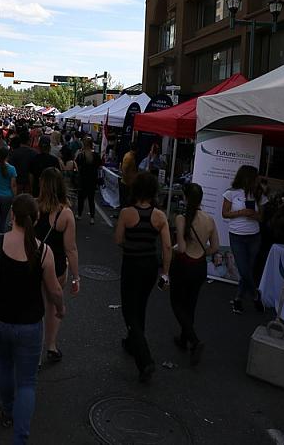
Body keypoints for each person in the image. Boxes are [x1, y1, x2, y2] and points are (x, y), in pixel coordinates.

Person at [0, 194, 65, 442]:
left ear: (12, 215)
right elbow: (55, 290)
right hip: (29, 324)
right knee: (27, 382)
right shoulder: (43, 251)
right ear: (35, 219)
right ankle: (20, 437)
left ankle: (7, 408)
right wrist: (60, 307)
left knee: (4, 365)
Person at [114, 171, 172, 382]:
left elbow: (118, 239)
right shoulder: (160, 216)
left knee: (129, 310)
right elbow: (166, 246)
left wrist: (131, 245)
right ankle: (132, 342)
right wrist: (165, 273)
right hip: (150, 266)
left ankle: (144, 359)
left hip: (131, 264)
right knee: (141, 306)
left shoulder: (127, 213)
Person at [169, 183, 219, 366]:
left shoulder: (181, 218)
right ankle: (183, 340)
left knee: (176, 303)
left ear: (186, 197)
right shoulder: (209, 220)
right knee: (190, 304)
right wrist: (201, 251)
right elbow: (214, 247)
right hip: (199, 266)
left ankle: (194, 340)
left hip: (183, 265)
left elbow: (181, 248)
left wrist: (173, 250)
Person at [35, 167, 79, 363]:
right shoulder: (66, 214)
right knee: (53, 307)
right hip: (57, 266)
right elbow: (71, 249)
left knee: (35, 308)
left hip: (34, 264)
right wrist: (77, 276)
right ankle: (51, 345)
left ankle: (34, 353)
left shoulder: (33, 207)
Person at [222, 164, 268, 314]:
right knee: (243, 268)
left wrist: (252, 214)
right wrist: (242, 212)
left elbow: (262, 217)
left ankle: (238, 299)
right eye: (255, 177)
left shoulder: (258, 193)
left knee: (247, 270)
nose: (257, 179)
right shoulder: (231, 193)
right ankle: (255, 295)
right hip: (237, 236)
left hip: (254, 236)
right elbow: (225, 213)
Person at [74, 137, 101, 225]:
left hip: (83, 179)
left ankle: (79, 214)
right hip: (92, 179)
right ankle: (92, 217)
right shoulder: (96, 155)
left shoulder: (81, 155)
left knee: (81, 198)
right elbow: (99, 166)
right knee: (91, 199)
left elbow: (76, 166)